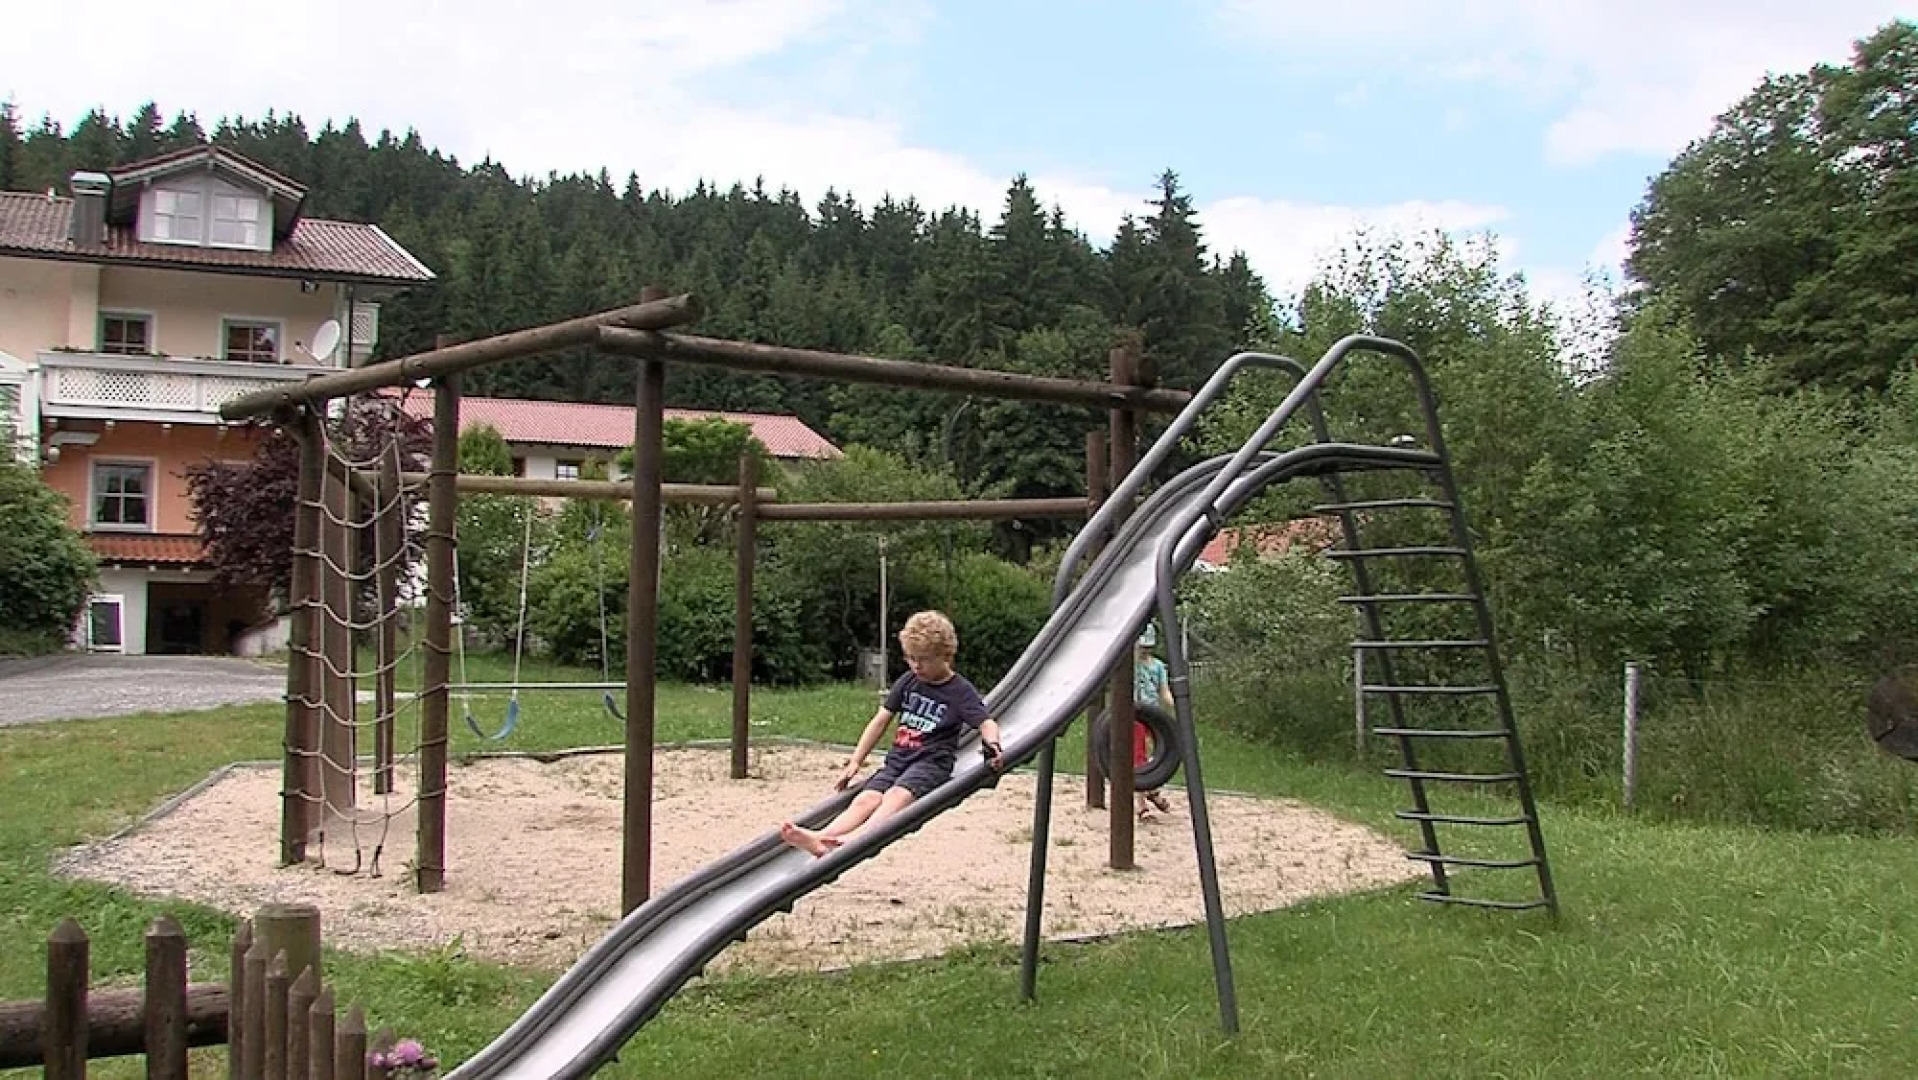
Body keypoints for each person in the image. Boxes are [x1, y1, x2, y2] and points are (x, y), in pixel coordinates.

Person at [781, 610, 1005, 857]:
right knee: (865, 800)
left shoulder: (959, 691)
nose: (917, 665)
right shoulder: (909, 681)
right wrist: (856, 760)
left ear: (946, 655)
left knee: (895, 798)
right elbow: (881, 720)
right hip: (898, 760)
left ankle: (854, 839)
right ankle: (824, 836)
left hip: (930, 763)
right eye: (911, 658)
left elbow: (986, 723)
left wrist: (992, 744)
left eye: (925, 659)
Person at [1133, 624, 1176, 819]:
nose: (1144, 651)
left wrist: (1174, 706)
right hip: (1136, 715)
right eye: (1142, 647)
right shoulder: (1131, 665)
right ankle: (1143, 803)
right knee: (1139, 757)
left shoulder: (1158, 666)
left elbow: (1164, 691)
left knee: (1157, 755)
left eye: (1147, 647)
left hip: (1154, 715)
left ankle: (1152, 790)